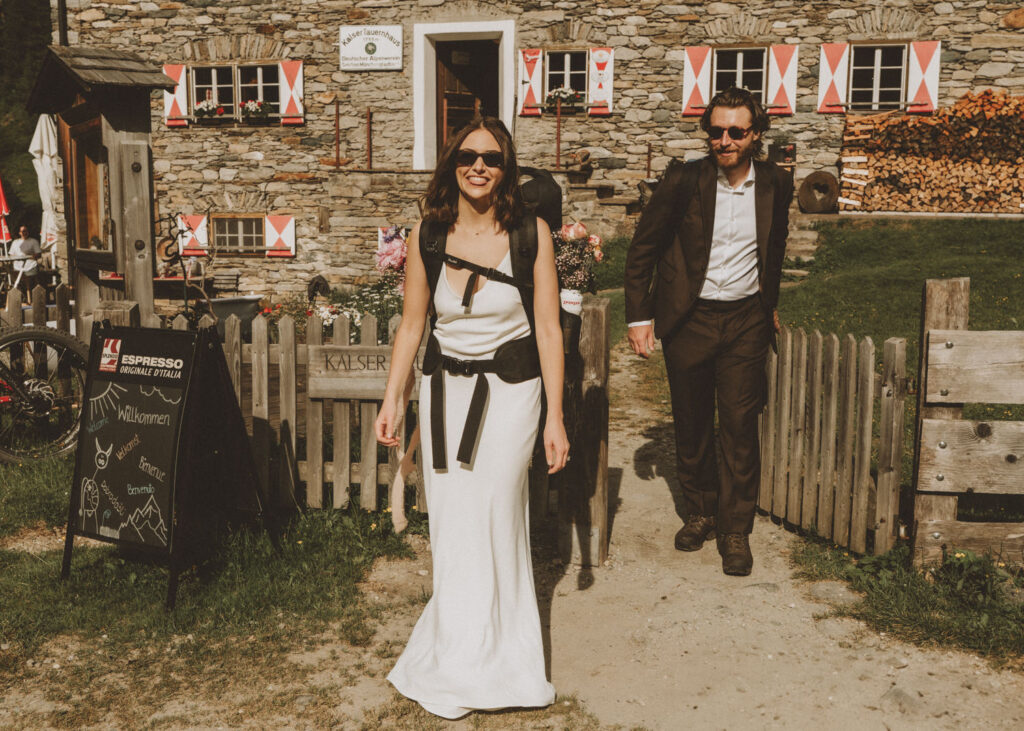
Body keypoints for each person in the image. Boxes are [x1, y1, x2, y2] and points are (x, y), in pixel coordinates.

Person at [375, 116, 568, 719]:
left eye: (491, 157)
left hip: (511, 394)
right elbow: (412, 325)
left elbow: (549, 328)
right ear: (451, 164)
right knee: (455, 519)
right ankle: (457, 651)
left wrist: (555, 418)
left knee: (496, 509)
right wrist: (393, 398)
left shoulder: (530, 233)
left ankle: (505, 653)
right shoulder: (428, 235)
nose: (478, 166)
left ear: (507, 167)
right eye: (467, 156)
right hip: (443, 394)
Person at [623, 87, 793, 577]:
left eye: (736, 131)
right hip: (690, 319)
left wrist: (769, 303)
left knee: (740, 425)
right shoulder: (684, 180)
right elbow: (644, 249)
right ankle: (700, 512)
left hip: (744, 321)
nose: (724, 140)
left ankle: (735, 527)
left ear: (755, 134)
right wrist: (640, 317)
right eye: (716, 131)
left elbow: (775, 245)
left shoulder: (775, 184)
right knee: (692, 423)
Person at [10, 225, 42, 294]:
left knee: (30, 281)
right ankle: (21, 296)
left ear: (28, 232)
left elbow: (38, 253)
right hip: (17, 267)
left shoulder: (33, 241)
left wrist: (31, 256)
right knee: (15, 279)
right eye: (22, 231)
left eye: (25, 231)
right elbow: (11, 255)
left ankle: (30, 296)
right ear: (19, 233)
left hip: (30, 266)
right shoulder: (15, 242)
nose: (24, 233)